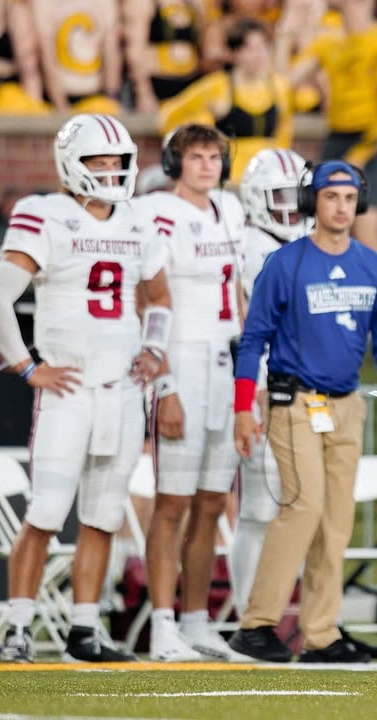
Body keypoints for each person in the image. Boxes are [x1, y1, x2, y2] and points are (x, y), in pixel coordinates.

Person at [0, 113, 172, 662]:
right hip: (66, 388)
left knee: (104, 513)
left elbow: (160, 298)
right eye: (99, 162)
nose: (111, 172)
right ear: (71, 164)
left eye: (118, 162)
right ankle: (19, 629)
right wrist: (27, 367)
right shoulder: (45, 214)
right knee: (45, 512)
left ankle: (84, 630)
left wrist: (155, 348)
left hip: (122, 390)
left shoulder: (138, 221)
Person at [229, 160, 377, 664]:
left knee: (336, 521)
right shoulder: (284, 263)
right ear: (313, 201)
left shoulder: (373, 266)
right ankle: (257, 625)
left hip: (347, 404)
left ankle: (321, 633)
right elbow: (253, 339)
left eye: (350, 198)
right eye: (331, 197)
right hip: (292, 402)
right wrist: (243, 406)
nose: (341, 207)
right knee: (304, 507)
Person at [135, 124, 248, 663]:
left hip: (227, 361)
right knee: (173, 501)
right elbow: (148, 299)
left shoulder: (232, 208)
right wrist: (165, 384)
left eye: (214, 156)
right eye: (196, 156)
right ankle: (162, 624)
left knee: (211, 502)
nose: (207, 165)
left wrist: (251, 380)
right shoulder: (156, 211)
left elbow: (240, 294)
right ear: (175, 162)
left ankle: (197, 621)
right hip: (181, 356)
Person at [230, 146, 311, 615]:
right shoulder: (251, 246)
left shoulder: (307, 242)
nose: (291, 206)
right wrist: (256, 386)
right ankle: (250, 612)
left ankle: (281, 611)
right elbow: (253, 329)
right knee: (259, 508)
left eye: (297, 195)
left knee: (298, 506)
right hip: (265, 386)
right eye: (281, 196)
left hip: (304, 385)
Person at [293, 0, 377, 265]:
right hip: (336, 139)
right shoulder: (329, 40)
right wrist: (290, 30)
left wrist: (361, 154)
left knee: (366, 230)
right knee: (329, 229)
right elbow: (284, 81)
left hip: (369, 141)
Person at [160, 17, 293, 184]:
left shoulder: (279, 87)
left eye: (264, 47)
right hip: (229, 180)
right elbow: (168, 117)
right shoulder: (217, 86)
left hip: (265, 180)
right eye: (251, 49)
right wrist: (205, 125)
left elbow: (284, 134)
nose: (259, 55)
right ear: (235, 53)